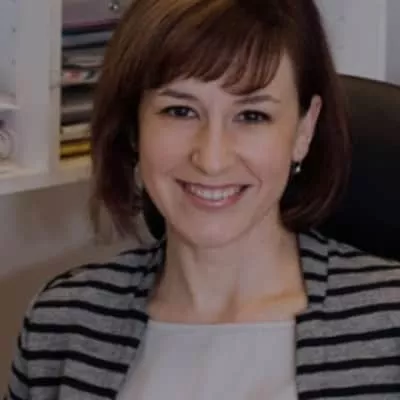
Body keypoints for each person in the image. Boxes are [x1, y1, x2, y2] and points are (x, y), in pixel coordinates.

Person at [6, 0, 400, 399]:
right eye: (180, 111)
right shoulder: (61, 325)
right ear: (134, 124)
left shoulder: (389, 325)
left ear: (304, 130)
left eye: (252, 116)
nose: (211, 160)